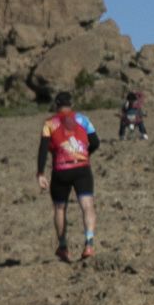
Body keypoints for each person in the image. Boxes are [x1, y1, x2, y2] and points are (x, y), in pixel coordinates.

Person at [37, 91, 100, 262]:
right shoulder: (83, 119)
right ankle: (89, 243)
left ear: (57, 105)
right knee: (87, 206)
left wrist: (40, 173)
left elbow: (43, 149)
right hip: (82, 168)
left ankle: (63, 246)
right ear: (71, 104)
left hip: (61, 170)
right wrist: (85, 153)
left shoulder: (49, 123)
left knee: (59, 208)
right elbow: (95, 142)